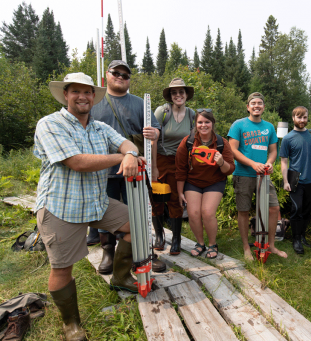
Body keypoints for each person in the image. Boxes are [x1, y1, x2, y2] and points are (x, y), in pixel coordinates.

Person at [34, 72, 146, 341]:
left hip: (96, 203)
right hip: (60, 206)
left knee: (138, 223)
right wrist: (122, 156)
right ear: (66, 95)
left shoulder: (98, 126)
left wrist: (130, 152)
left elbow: (126, 142)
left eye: (87, 92)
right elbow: (77, 162)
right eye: (76, 92)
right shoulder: (50, 124)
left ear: (94, 97)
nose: (82, 97)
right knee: (62, 267)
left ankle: (121, 278)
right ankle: (71, 325)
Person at [89, 60, 165, 274]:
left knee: (139, 211)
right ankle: (108, 252)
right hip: (103, 171)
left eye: (125, 75)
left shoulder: (140, 103)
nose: (121, 77)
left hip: (136, 170)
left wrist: (155, 135)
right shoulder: (94, 102)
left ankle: (144, 251)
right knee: (104, 211)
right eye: (116, 73)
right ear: (107, 75)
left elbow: (155, 132)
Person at [228, 92, 288, 261]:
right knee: (244, 210)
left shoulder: (268, 127)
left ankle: (270, 245)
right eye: (253, 103)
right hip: (244, 174)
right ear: (248, 107)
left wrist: (269, 162)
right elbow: (233, 150)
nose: (256, 106)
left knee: (274, 208)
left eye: (260, 103)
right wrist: (253, 164)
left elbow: (273, 150)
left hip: (264, 175)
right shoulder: (238, 125)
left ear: (263, 107)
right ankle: (247, 247)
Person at [175, 109, 235, 259]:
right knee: (194, 213)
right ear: (195, 124)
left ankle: (212, 244)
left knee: (207, 213)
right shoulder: (187, 142)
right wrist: (180, 192)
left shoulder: (221, 143)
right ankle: (200, 243)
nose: (203, 125)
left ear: (212, 123)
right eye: (200, 122)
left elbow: (229, 169)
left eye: (207, 122)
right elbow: (180, 169)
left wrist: (221, 162)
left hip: (214, 182)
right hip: (193, 182)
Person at [153, 78, 195, 255]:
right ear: (170, 96)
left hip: (181, 162)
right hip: (161, 159)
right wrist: (154, 166)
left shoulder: (192, 114)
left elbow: (193, 141)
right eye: (174, 92)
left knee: (177, 199)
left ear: (186, 95)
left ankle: (176, 239)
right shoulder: (162, 112)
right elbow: (153, 139)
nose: (178, 95)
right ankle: (159, 235)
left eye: (181, 92)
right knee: (156, 197)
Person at [280, 106, 311, 255]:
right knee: (296, 209)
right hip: (295, 180)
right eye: (299, 117)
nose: (302, 120)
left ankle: (302, 236)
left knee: (306, 211)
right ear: (293, 118)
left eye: (304, 117)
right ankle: (296, 239)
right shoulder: (288, 138)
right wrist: (285, 181)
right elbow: (284, 161)